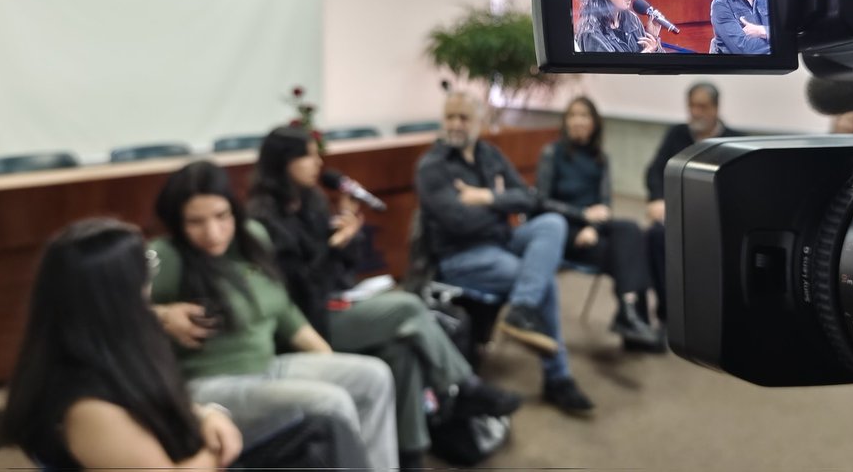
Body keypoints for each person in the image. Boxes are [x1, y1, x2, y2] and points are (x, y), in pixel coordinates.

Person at [246, 125, 521, 467]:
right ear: (283, 162)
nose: (318, 163)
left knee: (401, 352)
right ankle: (463, 386)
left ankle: (409, 457)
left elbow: (340, 269)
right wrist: (333, 247)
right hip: (307, 323)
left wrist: (349, 239)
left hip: (338, 300)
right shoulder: (262, 219)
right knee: (407, 306)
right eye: (308, 156)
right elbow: (293, 291)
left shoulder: (311, 201)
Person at [148, 161, 398, 471]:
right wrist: (162, 315)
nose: (212, 233)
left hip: (268, 366)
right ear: (177, 222)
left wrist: (327, 359)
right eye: (195, 222)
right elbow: (115, 314)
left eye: (221, 216)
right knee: (331, 402)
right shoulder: (166, 255)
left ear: (234, 211)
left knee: (374, 376)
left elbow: (282, 309)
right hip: (212, 384)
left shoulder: (252, 237)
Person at [4, 218, 243, 470]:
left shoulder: (109, 348)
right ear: (119, 294)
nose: (150, 285)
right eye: (145, 269)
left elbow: (156, 402)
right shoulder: (90, 409)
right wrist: (216, 452)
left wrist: (207, 414)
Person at [416, 91, 595, 414]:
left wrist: (487, 198)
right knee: (541, 280)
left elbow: (529, 198)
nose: (455, 124)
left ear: (480, 121)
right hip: (462, 255)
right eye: (449, 117)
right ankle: (558, 377)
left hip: (500, 240)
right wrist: (501, 206)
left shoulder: (490, 154)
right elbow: (459, 223)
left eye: (463, 117)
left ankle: (521, 309)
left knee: (552, 223)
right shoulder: (432, 167)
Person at [536, 96, 662, 351]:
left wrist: (593, 227)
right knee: (626, 252)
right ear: (565, 121)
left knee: (631, 229)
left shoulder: (600, 157)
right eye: (573, 115)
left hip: (593, 229)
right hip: (561, 228)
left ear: (594, 122)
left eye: (584, 115)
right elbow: (541, 202)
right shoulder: (552, 153)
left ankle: (628, 312)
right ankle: (631, 320)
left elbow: (605, 204)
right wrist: (584, 216)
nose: (578, 121)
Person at [643, 82, 744, 323]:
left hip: (717, 220)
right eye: (692, 106)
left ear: (716, 108)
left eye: (702, 106)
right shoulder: (677, 134)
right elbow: (654, 172)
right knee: (654, 237)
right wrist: (657, 199)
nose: (696, 112)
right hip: (676, 214)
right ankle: (669, 311)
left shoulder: (736, 141)